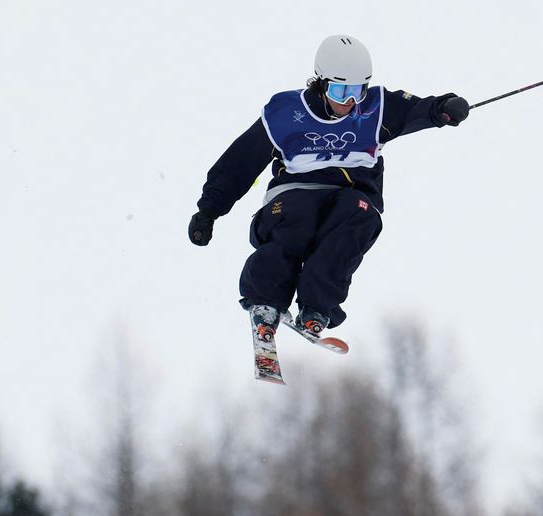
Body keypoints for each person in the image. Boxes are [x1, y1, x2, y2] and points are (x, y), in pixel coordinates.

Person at [187, 35, 470, 341]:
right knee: (298, 216)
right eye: (341, 90)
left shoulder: (376, 109)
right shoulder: (286, 113)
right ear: (321, 83)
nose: (350, 102)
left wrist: (444, 108)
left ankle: (316, 307)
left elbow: (421, 109)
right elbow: (241, 161)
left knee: (359, 215)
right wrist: (209, 210)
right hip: (294, 195)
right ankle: (266, 301)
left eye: (358, 91)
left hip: (349, 198)